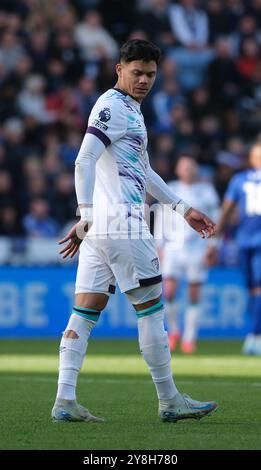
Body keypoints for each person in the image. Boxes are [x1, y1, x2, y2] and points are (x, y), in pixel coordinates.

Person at [51, 39, 218, 423]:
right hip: (121, 223)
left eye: (151, 74)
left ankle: (65, 400)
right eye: (137, 72)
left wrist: (181, 208)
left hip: (100, 231)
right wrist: (86, 213)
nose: (144, 80)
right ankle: (169, 399)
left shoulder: (130, 110)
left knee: (85, 310)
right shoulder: (113, 106)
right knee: (152, 309)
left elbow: (142, 171)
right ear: (119, 69)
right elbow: (83, 161)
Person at [157, 155, 219, 353]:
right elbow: (160, 217)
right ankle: (174, 330)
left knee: (194, 293)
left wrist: (213, 245)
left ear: (196, 169)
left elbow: (216, 219)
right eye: (184, 167)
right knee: (169, 292)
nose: (187, 170)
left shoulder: (206, 190)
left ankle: (190, 337)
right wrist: (159, 245)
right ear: (177, 170)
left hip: (197, 247)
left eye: (191, 166)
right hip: (172, 247)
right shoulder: (170, 188)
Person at [207, 143, 261, 355]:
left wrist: (215, 241)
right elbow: (227, 210)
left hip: (249, 241)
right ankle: (255, 334)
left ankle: (254, 336)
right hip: (245, 242)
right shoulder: (239, 180)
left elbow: (226, 210)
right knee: (253, 290)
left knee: (256, 289)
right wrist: (214, 243)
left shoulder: (239, 180)